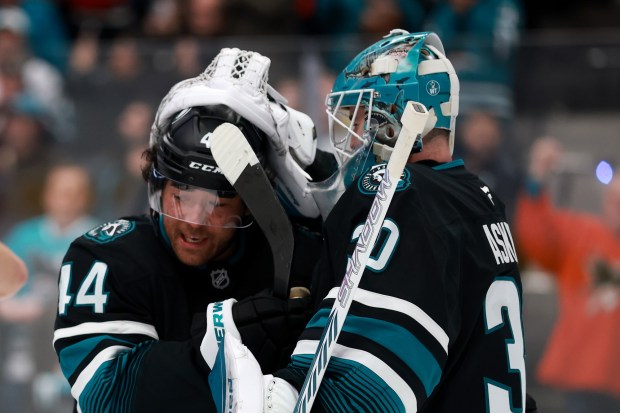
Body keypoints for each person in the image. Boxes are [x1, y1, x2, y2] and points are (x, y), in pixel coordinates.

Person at [260, 29, 534, 412]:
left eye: (359, 119)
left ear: (395, 121)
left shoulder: (400, 194)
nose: (352, 140)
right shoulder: (481, 200)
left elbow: (367, 391)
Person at [53, 47, 326, 412]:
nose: (195, 222)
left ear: (252, 202)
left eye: (218, 205)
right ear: (156, 185)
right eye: (181, 197)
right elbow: (107, 395)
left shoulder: (302, 257)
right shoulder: (105, 256)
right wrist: (223, 339)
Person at [514, 136, 620, 412]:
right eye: (613, 199)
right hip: (585, 377)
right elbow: (537, 235)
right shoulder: (585, 234)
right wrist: (538, 177)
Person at [0, 162, 98, 413]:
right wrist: (16, 307)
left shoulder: (100, 238)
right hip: (20, 344)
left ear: (85, 197)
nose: (66, 201)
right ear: (47, 195)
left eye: (74, 193)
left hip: (75, 345)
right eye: (60, 192)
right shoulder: (23, 236)